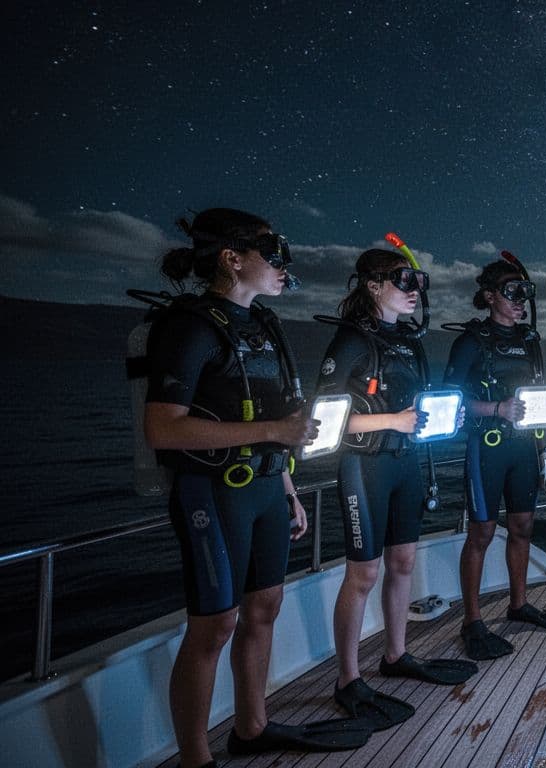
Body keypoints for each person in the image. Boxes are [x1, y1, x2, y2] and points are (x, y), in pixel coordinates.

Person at [142, 208, 369, 767]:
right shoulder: (190, 326)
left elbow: (282, 418)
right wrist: (275, 433)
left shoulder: (263, 325)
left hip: (267, 487)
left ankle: (252, 728)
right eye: (274, 253)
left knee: (264, 606)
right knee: (214, 625)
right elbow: (162, 427)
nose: (284, 265)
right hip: (212, 493)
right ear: (232, 258)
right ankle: (196, 758)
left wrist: (289, 489)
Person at [316, 248, 476, 731]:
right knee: (363, 574)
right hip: (364, 468)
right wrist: (395, 420)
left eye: (418, 280)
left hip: (406, 463)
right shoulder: (350, 341)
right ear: (372, 285)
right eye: (404, 279)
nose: (414, 289)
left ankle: (396, 654)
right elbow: (320, 417)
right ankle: (347, 679)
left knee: (404, 561)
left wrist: (444, 416)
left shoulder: (409, 340)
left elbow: (415, 403)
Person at [443, 255, 546, 661]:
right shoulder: (470, 341)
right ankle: (472, 621)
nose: (521, 300)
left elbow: (532, 390)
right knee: (481, 533)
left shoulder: (529, 341)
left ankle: (519, 605)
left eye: (525, 293)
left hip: (524, 448)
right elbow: (449, 397)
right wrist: (495, 410)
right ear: (489, 297)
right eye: (512, 292)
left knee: (522, 527)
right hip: (487, 447)